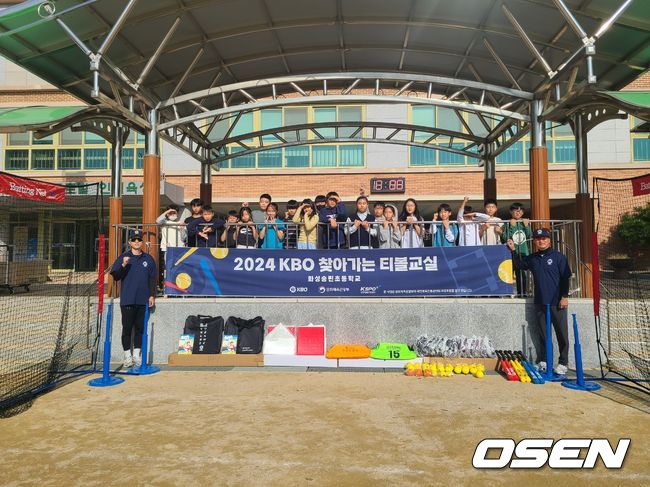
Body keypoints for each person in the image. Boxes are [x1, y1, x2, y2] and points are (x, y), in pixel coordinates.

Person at [507, 228, 571, 376]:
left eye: (544, 238)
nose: (541, 241)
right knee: (543, 334)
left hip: (557, 302)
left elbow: (565, 277)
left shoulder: (558, 257)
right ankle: (544, 360)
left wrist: (564, 296)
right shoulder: (533, 258)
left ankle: (563, 362)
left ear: (549, 240)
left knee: (562, 333)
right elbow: (520, 265)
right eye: (538, 239)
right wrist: (513, 250)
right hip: (541, 301)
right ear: (535, 241)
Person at [109, 230, 156, 368]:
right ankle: (127, 356)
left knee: (140, 328)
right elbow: (116, 275)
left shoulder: (148, 258)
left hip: (143, 299)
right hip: (128, 299)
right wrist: (123, 264)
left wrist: (152, 294)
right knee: (127, 329)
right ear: (129, 242)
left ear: (142, 242)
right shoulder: (124, 257)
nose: (137, 242)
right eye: (134, 240)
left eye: (139, 240)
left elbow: (152, 279)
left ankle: (136, 355)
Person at [501, 202, 531, 296]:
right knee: (509, 273)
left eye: (520, 211)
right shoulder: (507, 224)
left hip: (522, 253)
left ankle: (522, 293)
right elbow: (506, 238)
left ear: (522, 213)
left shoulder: (524, 223)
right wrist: (512, 227)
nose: (518, 213)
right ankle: (507, 293)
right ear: (511, 212)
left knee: (522, 274)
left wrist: (526, 226)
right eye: (515, 211)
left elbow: (529, 236)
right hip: (510, 253)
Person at [156, 204, 189, 290]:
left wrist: (182, 229)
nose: (172, 214)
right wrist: (167, 211)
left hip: (180, 249)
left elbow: (184, 237)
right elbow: (158, 221)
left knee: (180, 268)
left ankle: (180, 288)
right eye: (171, 213)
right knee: (168, 268)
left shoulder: (181, 223)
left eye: (174, 212)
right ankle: (169, 288)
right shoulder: (164, 222)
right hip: (168, 249)